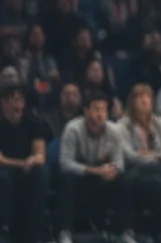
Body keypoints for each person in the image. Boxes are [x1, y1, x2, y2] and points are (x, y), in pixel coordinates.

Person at [57, 91, 134, 243]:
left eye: (104, 110)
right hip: (81, 176)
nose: (101, 114)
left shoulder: (115, 130)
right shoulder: (73, 129)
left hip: (103, 176)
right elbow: (65, 163)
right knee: (66, 180)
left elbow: (120, 163)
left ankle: (124, 232)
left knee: (124, 180)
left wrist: (112, 171)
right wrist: (93, 171)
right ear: (86, 111)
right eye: (97, 109)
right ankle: (64, 231)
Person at [117, 84, 161, 240]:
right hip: (133, 174)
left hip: (159, 172)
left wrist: (152, 155)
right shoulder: (121, 126)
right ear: (131, 101)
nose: (144, 101)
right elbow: (129, 156)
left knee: (160, 176)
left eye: (147, 96)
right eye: (139, 97)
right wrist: (158, 156)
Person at [0, 85, 51, 243]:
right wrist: (24, 163)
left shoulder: (33, 122)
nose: (18, 105)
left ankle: (36, 229)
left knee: (42, 172)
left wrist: (32, 160)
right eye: (14, 100)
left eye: (20, 100)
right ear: (4, 103)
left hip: (27, 171)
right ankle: (4, 230)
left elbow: (40, 155)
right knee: (4, 178)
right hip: (5, 170)